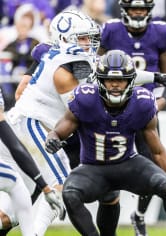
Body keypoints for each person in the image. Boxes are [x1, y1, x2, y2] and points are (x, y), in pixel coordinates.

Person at [44, 49, 166, 236]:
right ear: (100, 80)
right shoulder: (85, 98)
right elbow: (58, 131)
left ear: (131, 81)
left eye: (120, 80)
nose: (114, 85)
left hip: (128, 164)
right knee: (70, 194)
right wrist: (52, 139)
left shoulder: (142, 102)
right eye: (109, 80)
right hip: (93, 167)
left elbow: (158, 151)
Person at [3, 9, 100, 236]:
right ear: (65, 38)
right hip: (32, 125)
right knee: (61, 182)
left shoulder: (65, 58)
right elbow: (78, 112)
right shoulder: (62, 70)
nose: (88, 43)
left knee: (13, 213)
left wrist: (155, 78)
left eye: (89, 37)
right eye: (82, 38)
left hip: (28, 125)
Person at [99, 0, 166, 234]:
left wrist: (155, 106)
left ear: (149, 11)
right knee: (104, 164)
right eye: (134, 9)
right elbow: (96, 69)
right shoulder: (111, 30)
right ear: (124, 10)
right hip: (112, 108)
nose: (137, 13)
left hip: (144, 108)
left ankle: (139, 214)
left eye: (142, 9)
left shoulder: (161, 32)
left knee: (154, 166)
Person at [0, 88, 65, 235]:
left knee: (9, 217)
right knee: (16, 186)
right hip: (15, 150)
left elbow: (14, 146)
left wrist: (43, 185)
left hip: (29, 155)